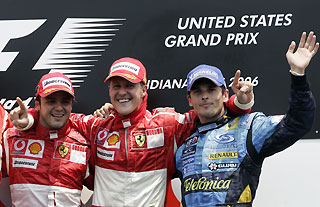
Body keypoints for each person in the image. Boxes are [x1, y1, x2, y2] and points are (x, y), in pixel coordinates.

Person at [12, 57, 254, 207]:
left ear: (144, 89)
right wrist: (29, 119)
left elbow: (207, 111)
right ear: (109, 90)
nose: (122, 92)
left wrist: (239, 103)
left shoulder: (167, 123)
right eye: (116, 86)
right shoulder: (96, 126)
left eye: (129, 85)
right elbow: (58, 116)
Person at [174, 31, 318, 207]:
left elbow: (299, 122)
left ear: (225, 94)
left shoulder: (249, 128)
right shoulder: (183, 148)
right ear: (190, 100)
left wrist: (298, 74)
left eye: (211, 90)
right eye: (198, 92)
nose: (205, 96)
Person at [2, 72, 93, 207]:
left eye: (65, 101)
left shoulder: (84, 145)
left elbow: (110, 187)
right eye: (51, 101)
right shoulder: (11, 139)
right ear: (37, 105)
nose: (58, 107)